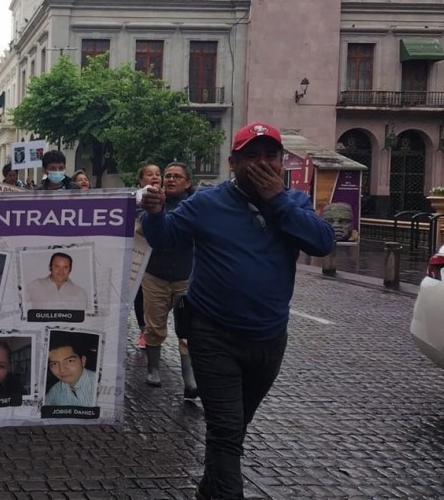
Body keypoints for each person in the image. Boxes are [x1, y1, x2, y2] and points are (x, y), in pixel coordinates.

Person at [141, 121, 334, 499]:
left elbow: (322, 243)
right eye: (251, 156)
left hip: (268, 338)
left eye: (270, 156)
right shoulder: (207, 202)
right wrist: (156, 212)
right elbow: (163, 237)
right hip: (212, 333)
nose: (261, 163)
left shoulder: (292, 203)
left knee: (235, 425)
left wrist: (277, 199)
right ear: (233, 162)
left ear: (281, 162)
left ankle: (210, 488)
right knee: (226, 429)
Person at [141, 162, 197, 398]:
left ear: (188, 182)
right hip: (156, 275)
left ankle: (190, 377)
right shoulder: (154, 203)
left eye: (177, 176)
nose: (171, 179)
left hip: (186, 277)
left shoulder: (196, 206)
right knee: (154, 325)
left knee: (188, 328)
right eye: (168, 176)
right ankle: (153, 368)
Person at [133, 164, 163, 349]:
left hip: (161, 256)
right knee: (140, 294)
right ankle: (144, 330)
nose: (155, 177)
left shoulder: (166, 196)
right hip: (141, 252)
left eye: (158, 174)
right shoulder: (138, 197)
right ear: (141, 180)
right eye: (150, 174)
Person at [24, 252, 89, 313]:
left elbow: (82, 320)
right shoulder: (34, 285)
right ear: (50, 267)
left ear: (70, 269)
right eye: (57, 266)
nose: (61, 271)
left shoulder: (80, 293)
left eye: (65, 267)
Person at [44, 338, 96, 407]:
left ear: (83, 361)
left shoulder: (100, 383)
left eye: (70, 361)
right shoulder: (55, 390)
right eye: (54, 364)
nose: (62, 370)